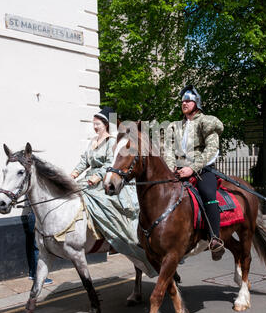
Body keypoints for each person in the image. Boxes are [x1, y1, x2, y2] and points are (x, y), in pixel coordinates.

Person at [71, 106, 157, 277]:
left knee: (105, 202)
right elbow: (84, 161)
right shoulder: (92, 142)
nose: (95, 127)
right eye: (94, 124)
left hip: (105, 180)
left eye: (98, 124)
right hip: (89, 179)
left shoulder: (111, 141)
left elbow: (113, 164)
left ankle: (113, 236)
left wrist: (98, 176)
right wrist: (73, 174)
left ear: (105, 125)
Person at [164, 85, 225, 260]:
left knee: (207, 192)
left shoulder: (206, 122)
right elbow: (168, 150)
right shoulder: (175, 127)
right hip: (178, 170)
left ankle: (215, 238)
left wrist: (192, 168)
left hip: (201, 169)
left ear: (196, 102)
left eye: (188, 100)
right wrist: (171, 168)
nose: (184, 103)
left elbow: (212, 150)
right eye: (182, 100)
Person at [22, 205, 53, 284]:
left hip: (31, 216)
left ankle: (32, 273)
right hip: (38, 216)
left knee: (33, 247)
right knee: (38, 248)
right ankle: (39, 277)